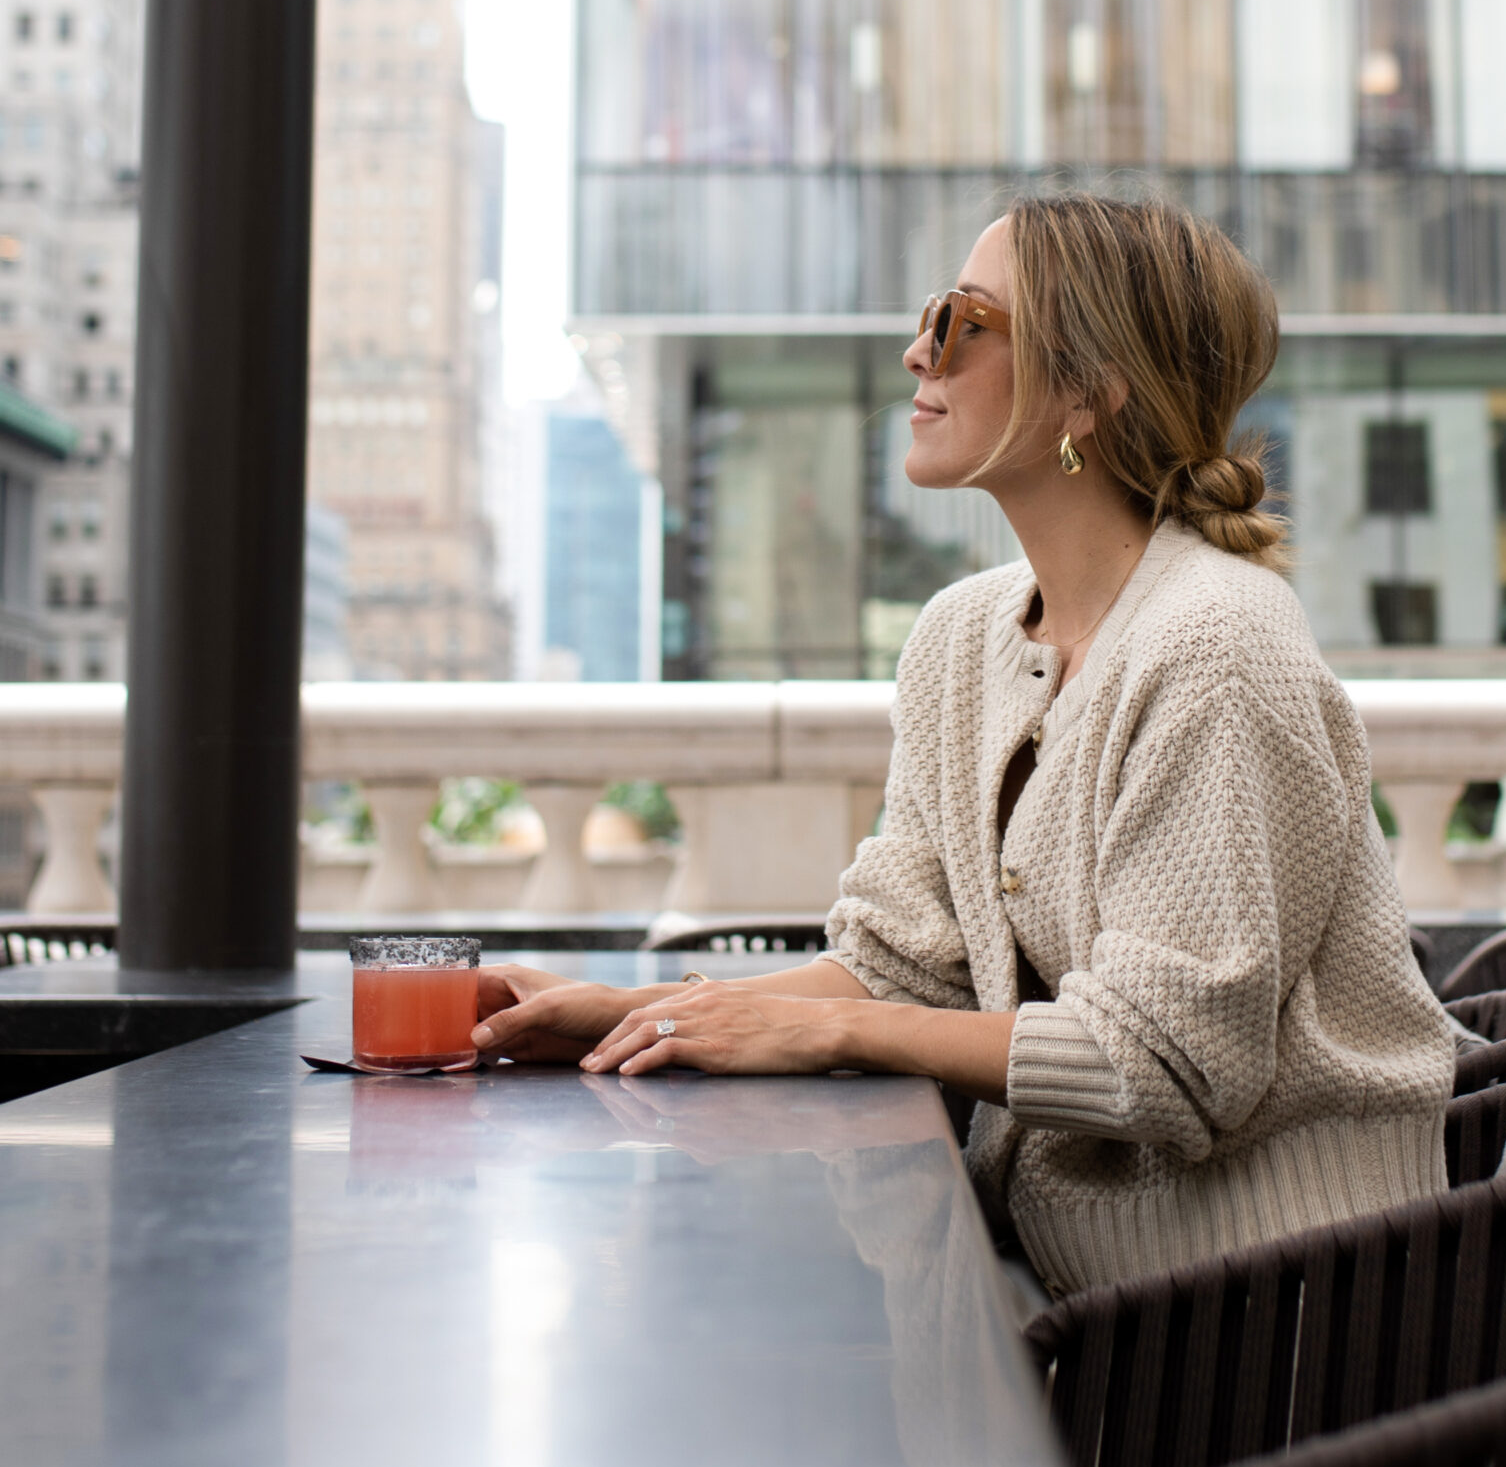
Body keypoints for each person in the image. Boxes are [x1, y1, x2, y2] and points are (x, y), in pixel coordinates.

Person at [474, 193, 1453, 1295]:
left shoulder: (1217, 644)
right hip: (1054, 1268)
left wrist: (826, 1037)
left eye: (961, 323)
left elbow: (1170, 1065)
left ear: (1087, 392)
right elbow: (903, 965)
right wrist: (638, 1014)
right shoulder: (960, 639)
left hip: (1269, 1312)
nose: (916, 352)